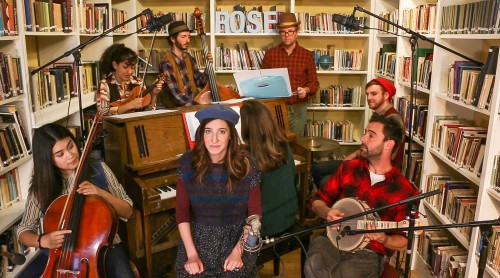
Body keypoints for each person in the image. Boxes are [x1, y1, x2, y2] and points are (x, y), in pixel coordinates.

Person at [304, 114, 418, 278]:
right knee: (313, 265)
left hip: (368, 252)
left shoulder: (404, 190)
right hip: (332, 240)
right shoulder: (349, 168)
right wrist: (327, 212)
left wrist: (384, 239)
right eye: (365, 133)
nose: (363, 138)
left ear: (388, 145)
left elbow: (404, 241)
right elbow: (316, 201)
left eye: (371, 135)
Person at [17, 123, 135, 278]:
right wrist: (42, 240)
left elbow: (128, 212)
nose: (70, 155)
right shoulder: (41, 187)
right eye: (60, 154)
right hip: (60, 253)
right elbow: (23, 230)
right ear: (48, 159)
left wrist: (101, 193)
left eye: (70, 146)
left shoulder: (99, 169)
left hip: (103, 248)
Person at [175, 104, 262, 277]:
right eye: (208, 131)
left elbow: (255, 214)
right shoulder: (186, 163)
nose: (214, 139)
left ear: (230, 135)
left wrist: (238, 251)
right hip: (197, 241)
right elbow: (182, 213)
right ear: (201, 134)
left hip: (237, 240)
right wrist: (192, 255)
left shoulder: (248, 165)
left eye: (221, 131)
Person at [311, 77, 405, 187]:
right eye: (367, 94)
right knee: (317, 168)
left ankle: (342, 200)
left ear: (386, 95)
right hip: (364, 160)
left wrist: (354, 164)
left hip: (376, 170)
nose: (369, 98)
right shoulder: (377, 114)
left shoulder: (393, 119)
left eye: (374, 94)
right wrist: (355, 154)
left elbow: (384, 156)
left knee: (326, 181)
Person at [240, 99, 297, 237]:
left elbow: (240, 199)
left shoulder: (247, 157)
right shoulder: (283, 145)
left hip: (265, 225)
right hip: (289, 214)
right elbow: (293, 179)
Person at [261, 12, 319, 135]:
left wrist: (306, 90)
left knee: (296, 144)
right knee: (275, 144)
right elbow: (262, 81)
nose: (287, 35)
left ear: (297, 33)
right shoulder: (270, 54)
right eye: (283, 32)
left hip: (298, 108)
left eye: (290, 31)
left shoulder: (307, 55)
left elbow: (314, 82)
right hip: (275, 108)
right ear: (280, 34)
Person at [97, 43, 163, 115]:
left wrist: (153, 95)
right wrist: (129, 105)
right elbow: (102, 113)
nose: (129, 72)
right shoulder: (105, 84)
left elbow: (148, 112)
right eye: (125, 67)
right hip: (115, 125)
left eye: (132, 67)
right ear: (115, 65)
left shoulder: (139, 82)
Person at [159, 21, 209, 107]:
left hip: (195, 106)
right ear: (173, 39)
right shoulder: (166, 63)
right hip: (178, 111)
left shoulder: (189, 58)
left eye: (188, 36)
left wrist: (208, 65)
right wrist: (198, 106)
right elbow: (176, 96)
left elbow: (201, 82)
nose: (188, 40)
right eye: (183, 37)